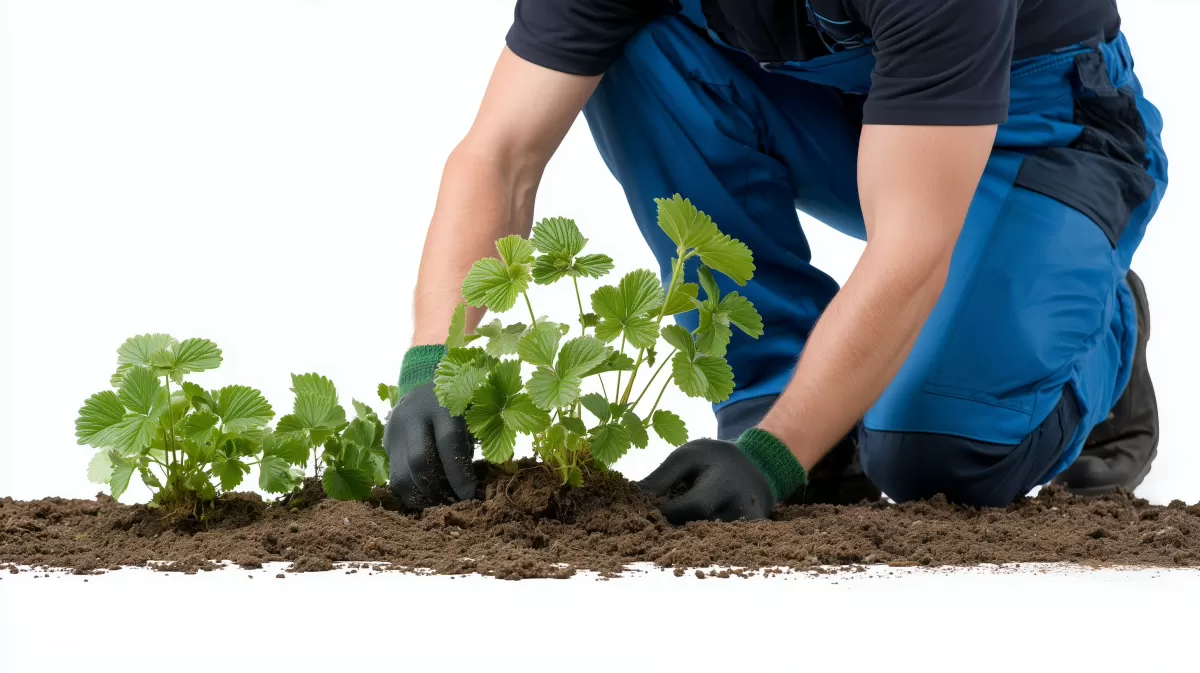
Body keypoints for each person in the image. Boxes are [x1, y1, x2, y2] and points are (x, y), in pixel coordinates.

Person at [384, 0, 1168, 523]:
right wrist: (433, 360)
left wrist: (770, 460)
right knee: (638, 47)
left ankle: (1104, 328)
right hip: (858, 110)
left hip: (1040, 132)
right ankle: (783, 398)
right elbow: (500, 155)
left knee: (931, 453)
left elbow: (913, 244)